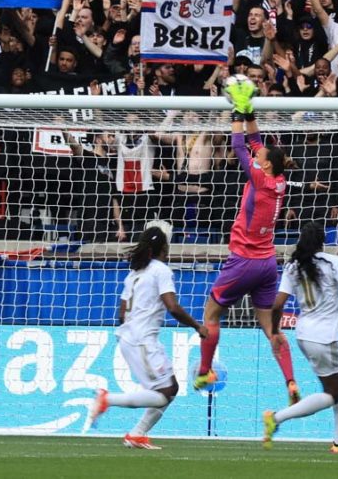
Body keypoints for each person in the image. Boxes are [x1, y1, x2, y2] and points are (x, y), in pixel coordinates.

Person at [194, 78, 299, 406]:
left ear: (264, 164)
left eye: (262, 155)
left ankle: (204, 370)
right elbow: (256, 141)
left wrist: (237, 111)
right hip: (268, 263)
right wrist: (250, 108)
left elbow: (240, 145)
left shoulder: (258, 177)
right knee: (271, 328)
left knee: (211, 312)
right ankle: (291, 381)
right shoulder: (278, 179)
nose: (259, 151)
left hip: (244, 261)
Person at [84, 224, 207, 449]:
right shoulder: (160, 270)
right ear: (163, 248)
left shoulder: (134, 273)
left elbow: (122, 313)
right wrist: (197, 326)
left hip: (131, 338)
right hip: (142, 340)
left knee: (168, 389)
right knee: (165, 392)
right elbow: (173, 307)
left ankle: (137, 434)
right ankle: (107, 400)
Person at [262, 222, 338, 454]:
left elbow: (277, 304)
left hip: (304, 335)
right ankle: (277, 418)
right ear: (323, 241)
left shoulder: (293, 266)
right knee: (333, 393)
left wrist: (275, 332)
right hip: (325, 337)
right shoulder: (332, 262)